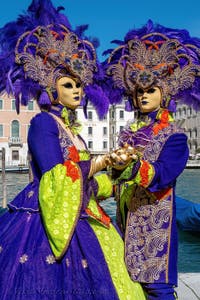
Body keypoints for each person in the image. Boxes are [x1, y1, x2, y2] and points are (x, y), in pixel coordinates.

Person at [0, 1, 146, 299]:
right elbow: (56, 177)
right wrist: (101, 161)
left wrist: (115, 169)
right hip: (49, 218)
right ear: (52, 89)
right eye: (69, 84)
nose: (77, 90)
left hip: (84, 211)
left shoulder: (74, 132)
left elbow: (91, 183)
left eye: (79, 84)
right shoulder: (43, 123)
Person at [104, 20, 200, 300]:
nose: (144, 95)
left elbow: (163, 175)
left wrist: (130, 166)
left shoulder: (175, 136)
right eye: (140, 92)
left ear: (164, 94)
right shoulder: (128, 135)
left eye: (151, 91)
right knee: (127, 286)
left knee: (157, 289)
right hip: (125, 224)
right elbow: (113, 179)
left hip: (156, 226)